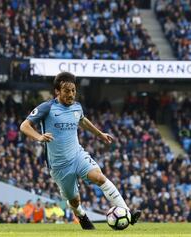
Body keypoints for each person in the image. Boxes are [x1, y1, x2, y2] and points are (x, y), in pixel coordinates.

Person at [20, 71, 141, 230]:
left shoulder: (77, 107)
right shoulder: (47, 107)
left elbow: (82, 120)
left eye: (73, 90)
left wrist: (99, 134)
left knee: (99, 177)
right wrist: (39, 137)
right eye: (67, 91)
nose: (71, 94)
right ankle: (81, 215)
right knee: (74, 200)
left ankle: (128, 213)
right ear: (58, 91)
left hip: (78, 155)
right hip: (59, 165)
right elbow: (24, 126)